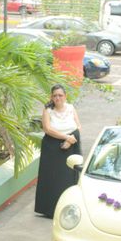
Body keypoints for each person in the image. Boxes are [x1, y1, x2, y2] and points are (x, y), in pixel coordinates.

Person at [34, 84, 81, 219]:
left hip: (70, 146)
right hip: (52, 148)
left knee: (68, 178)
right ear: (51, 97)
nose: (57, 98)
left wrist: (69, 140)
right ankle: (49, 209)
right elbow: (47, 129)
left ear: (65, 96)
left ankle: (67, 209)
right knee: (52, 178)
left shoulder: (71, 108)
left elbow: (78, 126)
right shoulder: (48, 110)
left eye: (60, 95)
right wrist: (66, 137)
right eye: (55, 95)